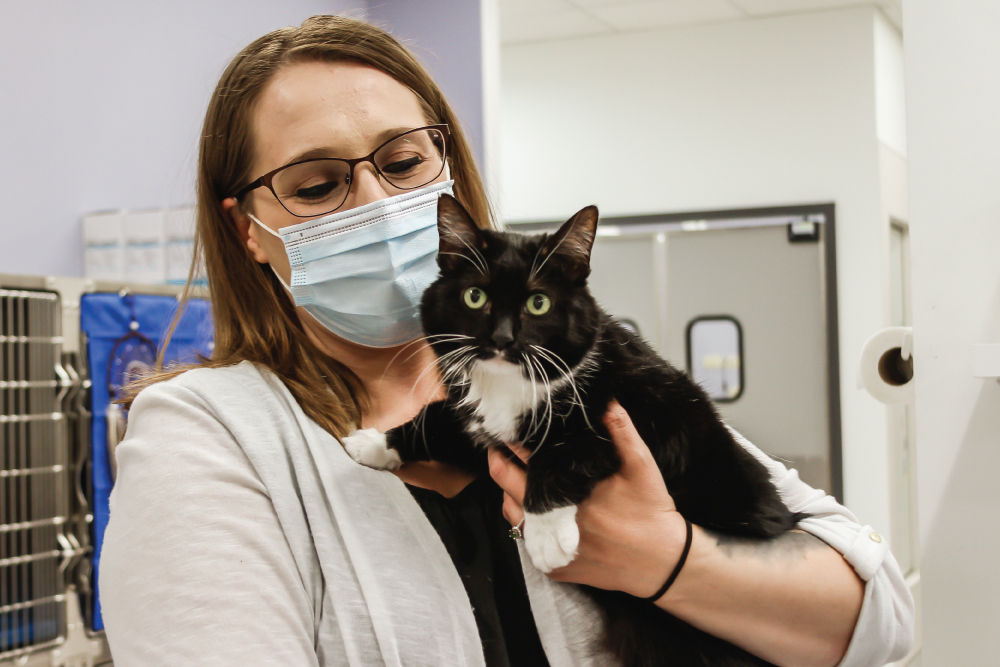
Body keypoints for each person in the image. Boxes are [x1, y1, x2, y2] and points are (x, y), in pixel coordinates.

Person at [99, 15, 914, 667]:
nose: (377, 204)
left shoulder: (577, 370)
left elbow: (877, 618)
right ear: (248, 232)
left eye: (404, 160)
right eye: (318, 185)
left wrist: (668, 559)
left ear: (447, 163)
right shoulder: (207, 436)